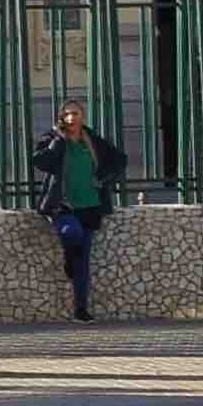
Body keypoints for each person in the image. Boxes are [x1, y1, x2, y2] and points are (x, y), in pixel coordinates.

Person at [35, 102, 125, 320]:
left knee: (83, 262)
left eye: (75, 113)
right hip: (62, 206)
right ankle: (68, 258)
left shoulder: (91, 140)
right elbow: (40, 162)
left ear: (82, 116)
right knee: (70, 233)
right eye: (67, 114)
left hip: (90, 206)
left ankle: (81, 309)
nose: (71, 118)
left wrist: (102, 179)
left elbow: (120, 160)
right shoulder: (53, 139)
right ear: (61, 118)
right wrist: (58, 141)